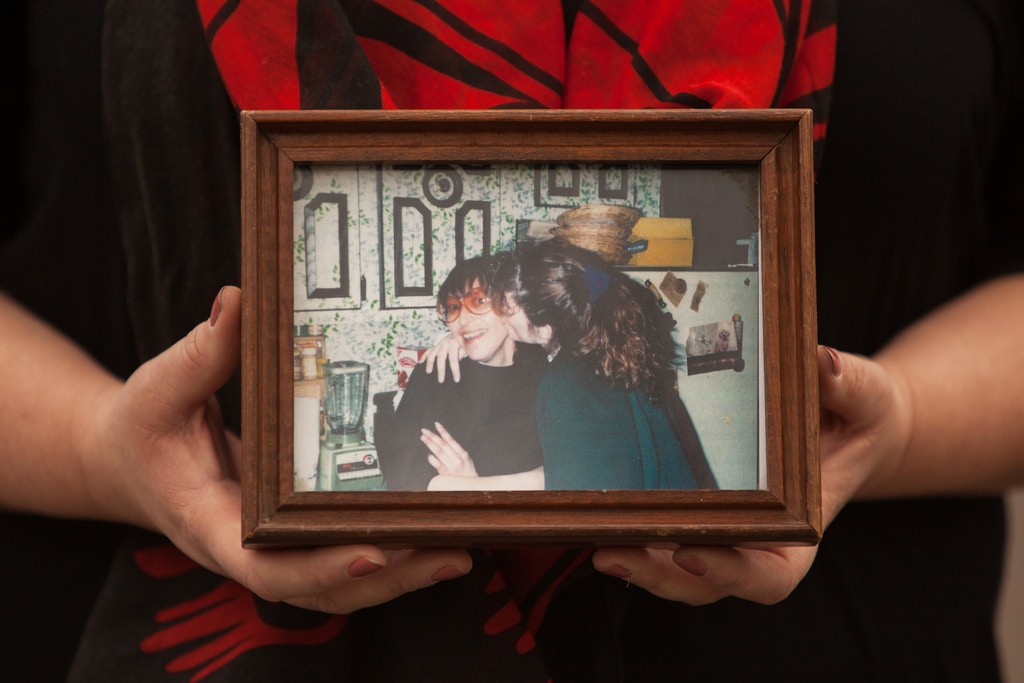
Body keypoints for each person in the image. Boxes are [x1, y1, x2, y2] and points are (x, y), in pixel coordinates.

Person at [2, 0, 1022, 681]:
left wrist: (900, 424)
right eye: (459, 313)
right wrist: (106, 445)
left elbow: (589, 471)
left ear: (532, 311)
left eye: (483, 308)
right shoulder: (558, 363)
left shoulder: (577, 384)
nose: (470, 326)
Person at [382, 254, 548, 491]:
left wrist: (472, 485)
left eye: (479, 301)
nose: (463, 320)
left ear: (509, 305)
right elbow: (399, 473)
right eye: (453, 307)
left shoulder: (543, 374)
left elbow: (561, 472)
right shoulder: (435, 370)